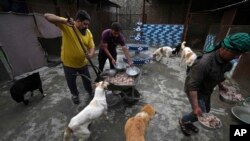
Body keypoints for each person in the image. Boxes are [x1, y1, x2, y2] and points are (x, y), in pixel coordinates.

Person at [179, 33, 250, 136]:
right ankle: (184, 121)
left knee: (206, 109)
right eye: (236, 54)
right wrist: (195, 107)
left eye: (239, 55)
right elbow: (191, 86)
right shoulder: (204, 63)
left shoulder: (226, 62)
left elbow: (217, 75)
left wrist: (221, 86)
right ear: (227, 49)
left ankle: (190, 119)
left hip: (207, 89)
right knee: (200, 112)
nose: (236, 57)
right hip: (196, 90)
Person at [44, 10, 95, 104]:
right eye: (84, 24)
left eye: (87, 24)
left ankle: (90, 92)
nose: (86, 26)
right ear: (78, 21)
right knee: (71, 82)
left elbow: (91, 46)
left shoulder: (88, 32)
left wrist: (91, 54)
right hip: (69, 64)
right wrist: (64, 21)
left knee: (87, 80)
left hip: (83, 63)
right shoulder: (68, 26)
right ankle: (75, 95)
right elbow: (47, 16)